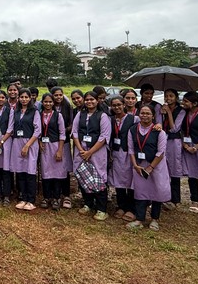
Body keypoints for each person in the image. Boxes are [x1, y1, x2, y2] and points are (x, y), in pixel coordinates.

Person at [127, 104, 170, 230]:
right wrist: (135, 165)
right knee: (140, 191)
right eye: (142, 113)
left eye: (148, 113)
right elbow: (130, 149)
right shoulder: (133, 129)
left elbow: (161, 152)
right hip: (139, 165)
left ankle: (155, 219)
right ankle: (140, 219)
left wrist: (151, 168)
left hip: (156, 166)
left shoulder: (159, 132)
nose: (144, 116)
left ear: (153, 116)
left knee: (157, 191)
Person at [72, 91, 111, 220]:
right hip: (81, 151)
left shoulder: (103, 116)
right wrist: (81, 149)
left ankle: (101, 209)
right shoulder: (80, 114)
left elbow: (104, 136)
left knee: (98, 178)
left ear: (97, 100)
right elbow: (75, 132)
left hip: (97, 152)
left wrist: (90, 152)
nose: (89, 102)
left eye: (92, 99)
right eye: (87, 99)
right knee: (83, 176)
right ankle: (87, 204)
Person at [108, 95, 137, 221]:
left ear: (124, 105)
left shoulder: (134, 119)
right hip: (116, 153)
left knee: (130, 180)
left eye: (119, 105)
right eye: (114, 105)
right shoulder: (110, 119)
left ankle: (131, 208)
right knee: (118, 180)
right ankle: (121, 206)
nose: (117, 107)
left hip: (129, 153)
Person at [11, 88, 40, 210]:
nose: (24, 99)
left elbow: (38, 130)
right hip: (17, 142)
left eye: (26, 97)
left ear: (30, 98)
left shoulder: (34, 112)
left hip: (30, 142)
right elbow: (11, 127)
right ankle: (22, 197)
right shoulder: (16, 111)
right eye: (21, 97)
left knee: (30, 170)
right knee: (20, 170)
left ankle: (31, 199)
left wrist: (27, 145)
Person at [38, 94, 67, 211]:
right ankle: (46, 196)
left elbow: (62, 134)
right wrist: (39, 141)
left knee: (57, 172)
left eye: (50, 102)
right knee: (46, 172)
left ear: (53, 103)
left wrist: (60, 150)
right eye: (45, 102)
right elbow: (37, 131)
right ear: (42, 103)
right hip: (44, 147)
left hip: (55, 146)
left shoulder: (58, 116)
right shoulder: (39, 115)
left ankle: (56, 197)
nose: (48, 104)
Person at [50, 86, 75, 209]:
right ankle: (55, 194)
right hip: (51, 142)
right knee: (53, 167)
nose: (58, 97)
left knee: (64, 168)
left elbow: (72, 123)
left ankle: (66, 195)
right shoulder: (48, 107)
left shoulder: (67, 107)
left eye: (60, 95)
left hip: (63, 142)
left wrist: (62, 130)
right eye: (56, 95)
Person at [161, 88, 184, 210]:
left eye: (171, 96)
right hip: (163, 139)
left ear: (176, 97)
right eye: (166, 96)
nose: (168, 98)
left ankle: (175, 198)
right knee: (164, 168)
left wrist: (169, 113)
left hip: (174, 141)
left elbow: (174, 128)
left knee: (174, 168)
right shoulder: (162, 109)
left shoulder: (181, 111)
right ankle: (164, 195)